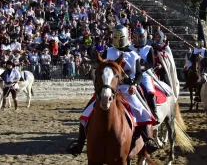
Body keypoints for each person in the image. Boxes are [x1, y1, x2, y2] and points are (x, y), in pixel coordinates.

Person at [68, 25, 159, 155]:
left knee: (140, 109)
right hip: (109, 87)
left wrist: (134, 84)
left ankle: (148, 140)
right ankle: (79, 143)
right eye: (115, 36)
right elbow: (101, 68)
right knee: (87, 112)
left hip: (127, 88)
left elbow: (139, 74)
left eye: (120, 36)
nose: (118, 39)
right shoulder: (108, 52)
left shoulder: (133, 55)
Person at [129, 27, 159, 123]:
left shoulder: (148, 48)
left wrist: (143, 67)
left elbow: (152, 63)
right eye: (136, 37)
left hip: (144, 74)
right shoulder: (130, 48)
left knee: (149, 90)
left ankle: (154, 113)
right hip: (132, 74)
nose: (138, 39)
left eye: (140, 37)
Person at [152, 30, 180, 99]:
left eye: (159, 37)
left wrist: (162, 66)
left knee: (167, 83)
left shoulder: (165, 47)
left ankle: (170, 97)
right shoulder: (152, 47)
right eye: (156, 37)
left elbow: (170, 63)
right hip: (153, 70)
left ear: (161, 38)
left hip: (164, 71)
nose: (157, 38)